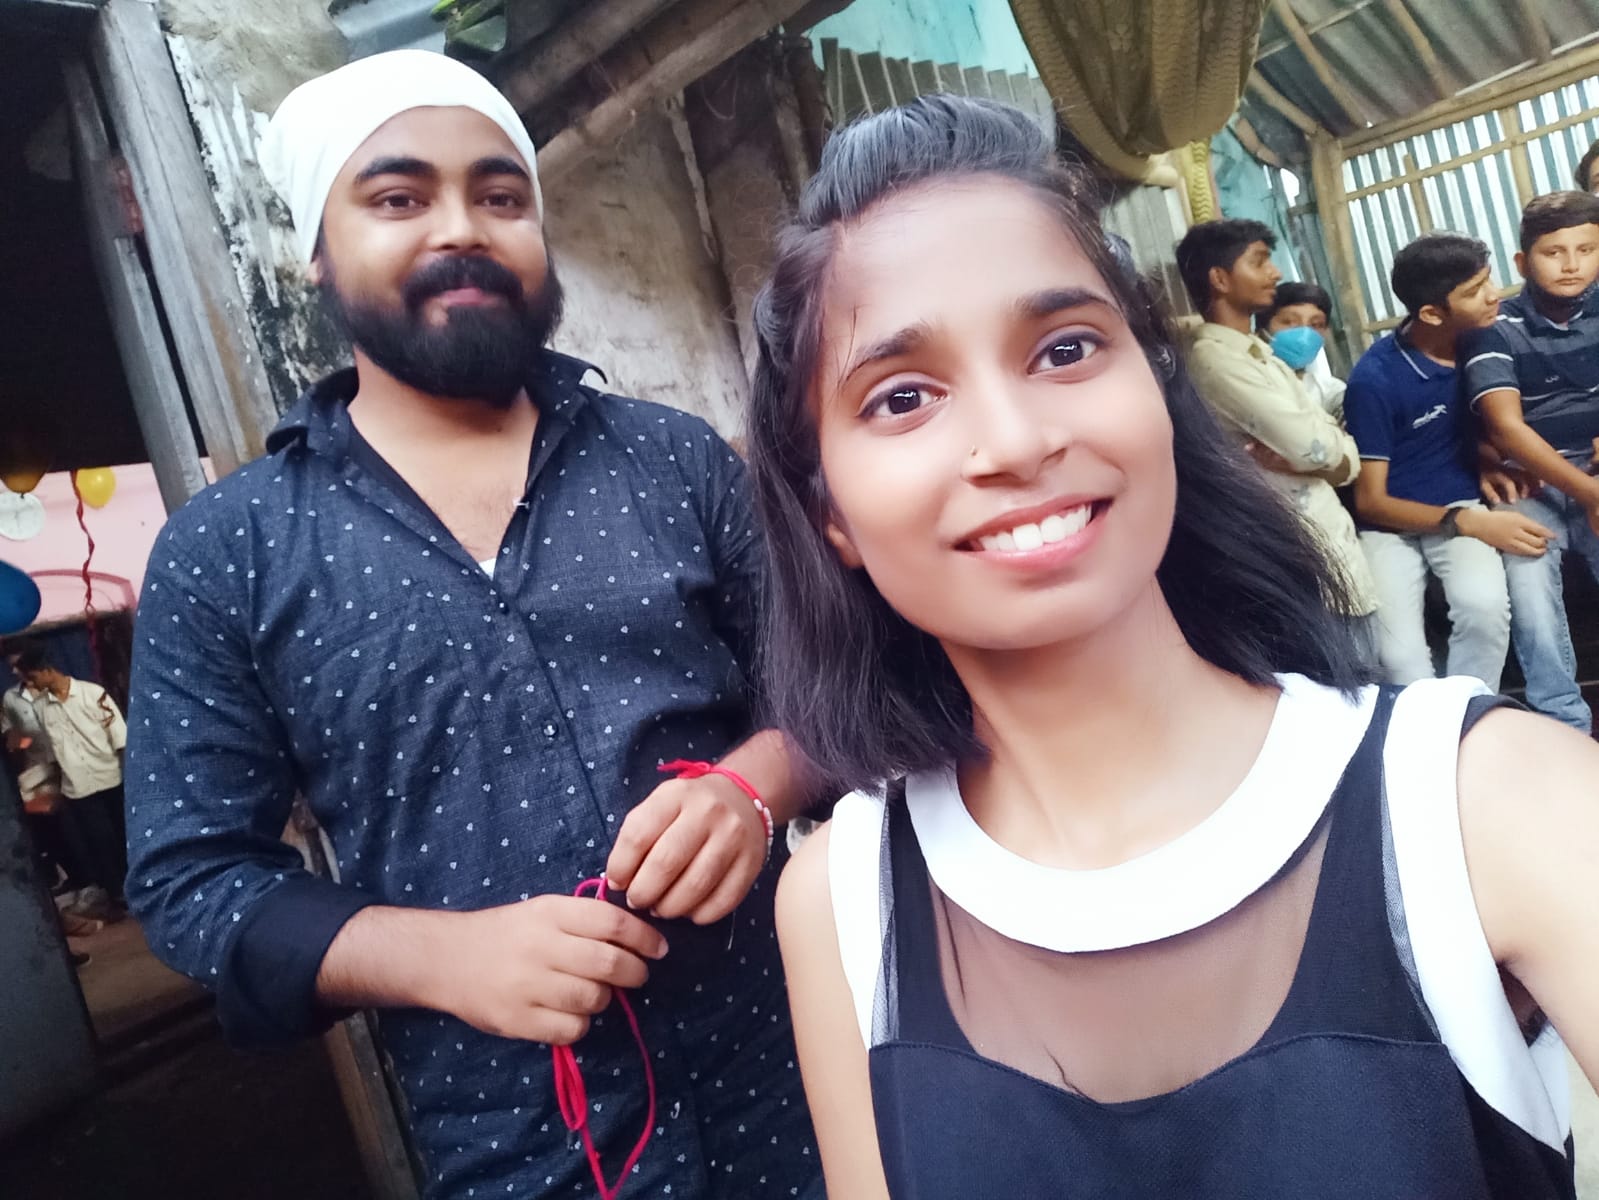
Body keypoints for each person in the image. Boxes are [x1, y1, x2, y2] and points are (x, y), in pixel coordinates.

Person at [748, 95, 1596, 1198]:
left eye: (1065, 349)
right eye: (902, 397)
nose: (1014, 441)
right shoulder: (841, 902)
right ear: (827, 510)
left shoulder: (1490, 798)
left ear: (1155, 385)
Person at [125, 50, 820, 1200]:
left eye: (501, 196)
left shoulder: (676, 462)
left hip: (798, 1085)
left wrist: (755, 787)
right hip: (521, 1148)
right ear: (315, 252)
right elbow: (192, 883)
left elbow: (836, 692)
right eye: (399, 199)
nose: (462, 229)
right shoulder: (227, 552)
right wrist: (444, 957)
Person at [1345, 233, 1553, 689]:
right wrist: (1469, 522)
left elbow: (1451, 431)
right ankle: (1422, 724)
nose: (1493, 295)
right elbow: (1371, 501)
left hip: (1459, 502)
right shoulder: (1374, 381)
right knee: (1399, 657)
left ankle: (1467, 711)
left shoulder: (1481, 344)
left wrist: (1485, 462)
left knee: (1484, 608)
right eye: (1475, 291)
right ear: (1432, 313)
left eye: (1489, 280)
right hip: (1391, 528)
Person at [1176, 219, 1379, 650]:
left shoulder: (1260, 355)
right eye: (1260, 261)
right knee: (1340, 673)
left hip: (1328, 547)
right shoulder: (1216, 361)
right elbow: (1313, 446)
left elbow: (1328, 451)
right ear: (1220, 279)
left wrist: (1334, 456)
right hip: (1300, 557)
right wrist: (1333, 455)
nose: (1276, 273)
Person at [1463, 190, 1599, 732]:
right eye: (1553, 252)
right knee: (1529, 582)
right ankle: (1564, 723)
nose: (1571, 265)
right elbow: (1506, 428)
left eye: (1586, 250)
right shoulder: (1496, 326)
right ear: (1522, 262)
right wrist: (1590, 495)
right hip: (1530, 482)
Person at [13, 647, 127, 904]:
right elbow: (51, 752)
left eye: (32, 677)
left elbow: (120, 738)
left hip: (111, 778)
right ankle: (117, 893)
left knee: (123, 835)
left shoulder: (93, 694)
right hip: (78, 787)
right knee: (99, 843)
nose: (30, 684)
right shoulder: (41, 708)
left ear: (46, 670)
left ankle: (140, 885)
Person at [1258, 280, 1345, 420]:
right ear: (1262, 329)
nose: (1304, 333)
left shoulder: (1332, 392)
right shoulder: (1246, 383)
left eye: (1316, 324)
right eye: (1289, 322)